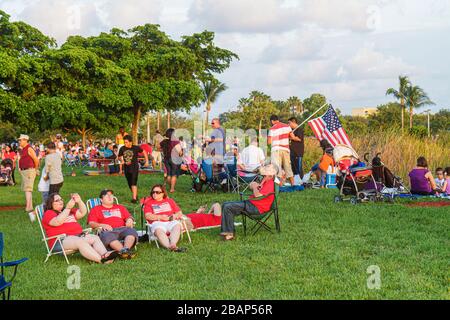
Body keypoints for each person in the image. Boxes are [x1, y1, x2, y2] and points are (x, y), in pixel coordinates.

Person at [42, 193, 118, 264]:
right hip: (59, 241)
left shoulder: (69, 211)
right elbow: (57, 222)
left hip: (77, 236)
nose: (60, 201)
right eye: (57, 200)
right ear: (51, 203)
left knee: (94, 237)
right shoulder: (49, 213)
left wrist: (79, 201)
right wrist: (67, 208)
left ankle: (106, 255)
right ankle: (101, 260)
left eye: (61, 199)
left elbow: (82, 212)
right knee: (80, 241)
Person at [220, 164, 277, 241]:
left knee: (228, 207)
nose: (263, 176)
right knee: (225, 205)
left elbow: (257, 195)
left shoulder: (270, 184)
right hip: (252, 204)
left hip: (256, 208)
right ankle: (228, 232)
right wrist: (256, 185)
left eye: (265, 175)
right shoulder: (265, 181)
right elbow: (251, 186)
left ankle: (229, 234)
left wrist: (255, 186)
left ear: (271, 176)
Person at [87, 189, 138, 259]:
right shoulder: (95, 209)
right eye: (106, 195)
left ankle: (126, 250)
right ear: (101, 200)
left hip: (123, 228)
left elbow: (128, 216)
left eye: (111, 195)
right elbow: (91, 223)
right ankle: (124, 252)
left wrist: (129, 220)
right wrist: (102, 225)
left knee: (131, 231)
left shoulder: (120, 207)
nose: (110, 197)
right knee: (107, 235)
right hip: (108, 231)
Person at [143, 184, 187, 252]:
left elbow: (179, 212)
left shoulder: (170, 201)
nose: (155, 194)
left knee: (177, 225)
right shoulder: (149, 203)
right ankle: (169, 246)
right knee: (158, 230)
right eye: (153, 192)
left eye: (157, 192)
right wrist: (160, 217)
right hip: (157, 222)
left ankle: (173, 244)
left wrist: (174, 216)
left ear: (163, 193)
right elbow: (147, 215)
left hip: (170, 221)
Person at [118, 135, 149, 203]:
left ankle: (134, 198)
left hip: (134, 167)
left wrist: (146, 161)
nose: (125, 144)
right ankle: (135, 195)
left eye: (126, 142)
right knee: (130, 184)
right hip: (126, 168)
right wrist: (122, 160)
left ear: (130, 142)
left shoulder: (135, 148)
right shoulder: (122, 148)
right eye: (124, 142)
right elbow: (119, 157)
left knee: (133, 182)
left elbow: (144, 151)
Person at [268, 115, 294, 186]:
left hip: (276, 149)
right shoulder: (287, 126)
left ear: (272, 121)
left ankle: (278, 186)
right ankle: (293, 185)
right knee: (288, 167)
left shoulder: (272, 129)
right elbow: (292, 137)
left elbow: (269, 142)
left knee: (277, 168)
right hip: (285, 149)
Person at [18, 134, 40, 212]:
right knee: (27, 189)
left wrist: (36, 169)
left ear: (25, 140)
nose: (19, 141)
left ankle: (28, 207)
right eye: (19, 140)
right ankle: (29, 206)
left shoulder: (29, 148)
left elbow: (36, 160)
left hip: (29, 170)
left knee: (28, 189)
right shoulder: (23, 149)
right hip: (25, 171)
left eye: (20, 140)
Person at [160, 128, 183, 193]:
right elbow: (180, 152)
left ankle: (170, 186)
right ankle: (172, 188)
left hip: (166, 159)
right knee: (174, 174)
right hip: (174, 159)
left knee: (169, 174)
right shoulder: (175, 142)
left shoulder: (164, 141)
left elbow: (158, 147)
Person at [288, 117, 305, 183]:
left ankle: (301, 181)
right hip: (292, 152)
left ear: (293, 122)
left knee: (299, 167)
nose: (288, 124)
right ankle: (295, 181)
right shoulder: (292, 130)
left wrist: (292, 136)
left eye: (289, 123)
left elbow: (299, 139)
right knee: (293, 168)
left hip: (298, 152)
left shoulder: (299, 129)